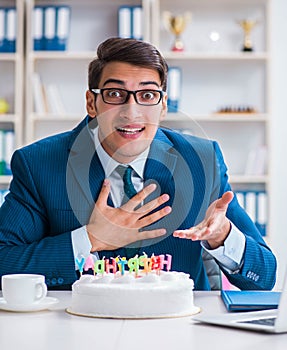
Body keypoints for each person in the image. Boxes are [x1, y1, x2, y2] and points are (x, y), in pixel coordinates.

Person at [0, 37, 276, 291]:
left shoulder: (202, 161)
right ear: (91, 103)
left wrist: (223, 236)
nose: (131, 112)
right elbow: (3, 260)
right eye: (115, 94)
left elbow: (265, 277)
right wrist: (90, 239)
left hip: (177, 328)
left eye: (146, 95)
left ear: (163, 105)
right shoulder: (39, 163)